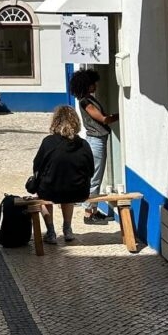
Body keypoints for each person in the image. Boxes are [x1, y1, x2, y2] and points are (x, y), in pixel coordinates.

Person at [28, 105, 94, 244]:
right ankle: (67, 229)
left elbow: (37, 165)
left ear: (55, 121)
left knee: (44, 195)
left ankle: (51, 232)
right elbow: (91, 170)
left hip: (50, 189)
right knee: (68, 193)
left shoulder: (48, 142)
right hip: (78, 191)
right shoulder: (83, 144)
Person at [69, 68, 118, 223]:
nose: (95, 85)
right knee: (95, 176)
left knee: (96, 174)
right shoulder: (86, 102)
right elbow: (102, 119)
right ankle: (88, 212)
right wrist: (119, 115)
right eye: (92, 83)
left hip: (97, 140)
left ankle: (93, 209)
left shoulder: (88, 99)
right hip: (96, 141)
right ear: (86, 85)